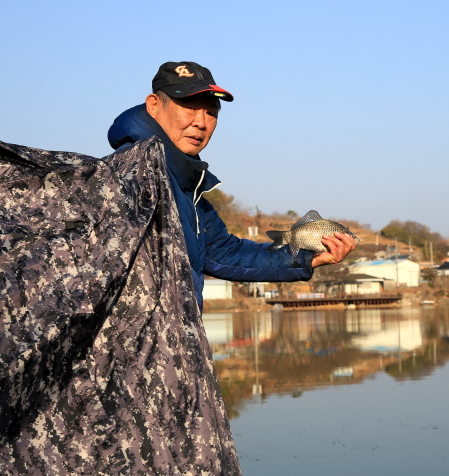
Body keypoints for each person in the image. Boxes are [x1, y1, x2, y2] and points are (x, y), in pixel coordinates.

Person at [108, 61, 356, 309]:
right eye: (190, 107)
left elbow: (224, 253)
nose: (201, 122)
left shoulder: (188, 190)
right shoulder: (129, 173)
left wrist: (307, 259)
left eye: (211, 113)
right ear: (154, 105)